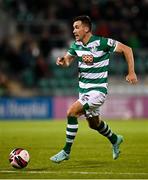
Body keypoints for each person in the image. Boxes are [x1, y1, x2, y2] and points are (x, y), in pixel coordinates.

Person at [50, 15, 138, 163]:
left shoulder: (102, 42)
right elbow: (67, 61)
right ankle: (115, 139)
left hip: (97, 91)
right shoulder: (76, 45)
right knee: (94, 124)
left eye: (76, 27)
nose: (74, 31)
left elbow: (127, 49)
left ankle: (66, 151)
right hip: (84, 91)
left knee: (71, 112)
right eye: (73, 28)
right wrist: (61, 61)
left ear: (86, 28)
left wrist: (131, 72)